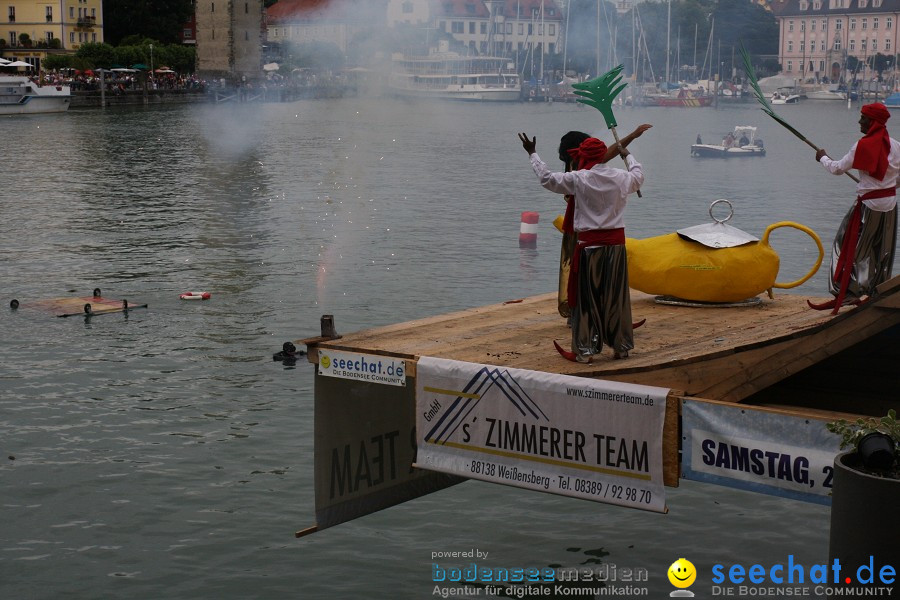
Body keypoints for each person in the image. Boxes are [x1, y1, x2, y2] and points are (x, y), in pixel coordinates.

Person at [519, 130, 646, 361]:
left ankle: (585, 352)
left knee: (588, 299)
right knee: (615, 296)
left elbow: (546, 178)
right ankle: (621, 346)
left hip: (589, 247)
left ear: (583, 158)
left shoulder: (579, 179)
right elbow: (638, 174)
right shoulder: (621, 177)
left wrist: (533, 154)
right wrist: (628, 155)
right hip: (616, 246)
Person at [554, 125, 651, 318]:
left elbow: (609, 152)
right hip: (584, 228)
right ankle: (586, 312)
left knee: (576, 269)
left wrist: (632, 137)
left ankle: (580, 310)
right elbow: (612, 151)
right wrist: (632, 136)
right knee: (584, 271)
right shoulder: (582, 167)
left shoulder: (576, 167)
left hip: (577, 224)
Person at [812, 102, 899, 313]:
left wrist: (822, 156)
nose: (859, 121)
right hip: (890, 204)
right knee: (881, 250)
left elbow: (837, 169)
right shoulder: (896, 146)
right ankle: (875, 290)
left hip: (868, 205)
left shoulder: (861, 146)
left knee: (846, 246)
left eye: (863, 118)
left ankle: (847, 293)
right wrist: (883, 185)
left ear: (873, 121)